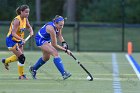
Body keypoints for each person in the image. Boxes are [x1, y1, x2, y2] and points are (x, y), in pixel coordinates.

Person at [29, 15, 72, 80]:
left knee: (46, 57)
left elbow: (59, 35)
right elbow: (54, 45)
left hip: (46, 40)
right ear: (56, 23)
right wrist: (65, 50)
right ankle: (64, 73)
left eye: (63, 25)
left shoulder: (58, 26)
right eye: (61, 25)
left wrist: (64, 43)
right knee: (55, 53)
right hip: (40, 40)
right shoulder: (51, 28)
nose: (62, 27)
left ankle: (33, 69)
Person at [1, 5, 34, 79]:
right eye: (26, 12)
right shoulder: (17, 20)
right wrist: (21, 40)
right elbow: (13, 33)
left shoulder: (25, 19)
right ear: (21, 12)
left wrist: (31, 31)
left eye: (28, 12)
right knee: (22, 57)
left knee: (19, 57)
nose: (27, 14)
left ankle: (5, 61)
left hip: (18, 40)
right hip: (11, 40)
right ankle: (21, 76)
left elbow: (29, 27)